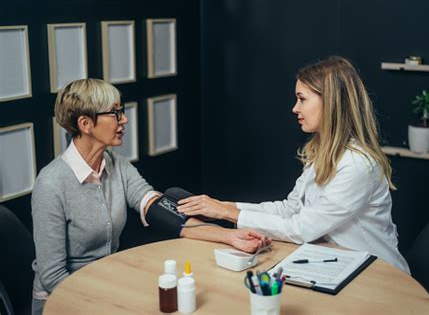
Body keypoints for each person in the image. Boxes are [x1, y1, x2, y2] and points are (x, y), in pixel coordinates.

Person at [31, 78, 270, 314]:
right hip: (63, 299)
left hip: (106, 285)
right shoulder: (51, 184)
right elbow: (53, 277)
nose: (124, 119)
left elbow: (159, 210)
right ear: (85, 123)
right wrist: (105, 299)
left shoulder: (116, 165)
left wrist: (230, 236)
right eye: (115, 113)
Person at [177, 56, 410, 274]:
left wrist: (227, 212)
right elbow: (290, 209)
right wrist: (224, 206)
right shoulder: (323, 152)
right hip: (338, 262)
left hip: (376, 273)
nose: (295, 108)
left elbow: (303, 228)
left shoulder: (356, 164)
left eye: (302, 99)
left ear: (330, 102)